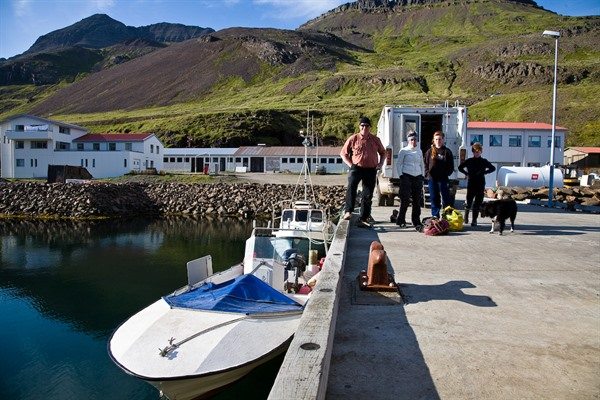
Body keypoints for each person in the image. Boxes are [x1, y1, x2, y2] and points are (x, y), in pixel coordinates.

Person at [340, 116, 386, 228]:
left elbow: (383, 153)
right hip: (357, 167)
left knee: (368, 194)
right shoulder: (353, 138)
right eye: (362, 125)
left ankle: (364, 217)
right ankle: (348, 211)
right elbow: (343, 153)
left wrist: (380, 164)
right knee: (351, 188)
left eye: (366, 126)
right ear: (359, 127)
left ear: (370, 127)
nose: (364, 127)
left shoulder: (376, 140)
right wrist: (351, 165)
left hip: (371, 169)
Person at [458, 142, 496, 226]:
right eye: (475, 151)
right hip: (471, 183)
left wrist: (485, 172)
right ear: (473, 152)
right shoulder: (469, 161)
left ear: (481, 152)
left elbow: (493, 168)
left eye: (478, 151)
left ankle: (474, 220)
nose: (477, 153)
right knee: (469, 202)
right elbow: (460, 167)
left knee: (477, 203)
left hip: (480, 184)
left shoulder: (484, 161)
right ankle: (466, 216)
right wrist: (466, 173)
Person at [395, 131, 425, 231]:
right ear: (408, 140)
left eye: (415, 139)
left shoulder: (419, 151)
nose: (413, 141)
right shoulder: (403, 151)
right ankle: (401, 219)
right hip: (406, 176)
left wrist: (422, 175)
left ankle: (416, 220)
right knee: (405, 199)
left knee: (417, 200)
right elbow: (398, 164)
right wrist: (401, 175)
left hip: (417, 176)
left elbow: (422, 164)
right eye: (411, 139)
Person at [424, 131, 454, 218]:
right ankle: (435, 215)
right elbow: (425, 164)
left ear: (443, 140)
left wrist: (446, 174)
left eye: (440, 139)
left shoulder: (447, 152)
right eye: (436, 139)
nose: (438, 141)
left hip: (443, 179)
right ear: (433, 140)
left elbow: (451, 166)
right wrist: (427, 174)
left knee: (445, 198)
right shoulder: (429, 152)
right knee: (434, 198)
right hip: (432, 179)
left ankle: (447, 216)